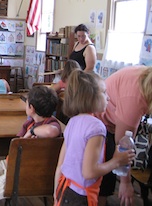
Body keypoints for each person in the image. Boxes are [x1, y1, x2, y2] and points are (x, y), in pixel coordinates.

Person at [54, 70, 135, 206]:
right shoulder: (96, 127)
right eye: (104, 93)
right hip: (81, 197)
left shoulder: (73, 121)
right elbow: (89, 172)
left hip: (64, 189)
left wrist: (56, 193)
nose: (108, 98)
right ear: (91, 97)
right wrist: (116, 161)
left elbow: (60, 165)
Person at [0, 85, 61, 206]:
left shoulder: (51, 123)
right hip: (11, 163)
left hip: (23, 172)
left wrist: (31, 132)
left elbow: (52, 131)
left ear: (31, 108)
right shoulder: (30, 122)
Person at [95, 65, 152, 206]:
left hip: (112, 121)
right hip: (100, 123)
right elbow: (122, 146)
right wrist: (125, 183)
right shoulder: (134, 98)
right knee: (104, 181)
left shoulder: (145, 77)